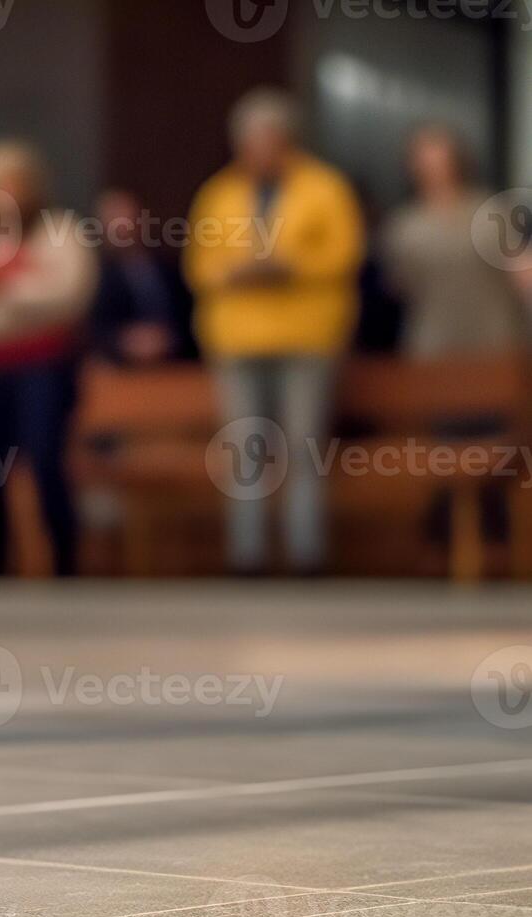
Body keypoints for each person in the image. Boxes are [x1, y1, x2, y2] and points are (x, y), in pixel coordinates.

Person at [185, 88, 364, 575]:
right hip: (239, 340)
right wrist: (236, 272)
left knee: (304, 446)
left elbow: (345, 252)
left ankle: (307, 554)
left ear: (287, 139)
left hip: (305, 337)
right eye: (251, 140)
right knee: (245, 449)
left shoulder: (325, 188)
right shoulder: (219, 194)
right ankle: (248, 556)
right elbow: (200, 264)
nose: (260, 149)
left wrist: (288, 267)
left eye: (269, 138)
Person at [0, 140, 96, 577]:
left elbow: (67, 297)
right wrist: (15, 291)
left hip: (45, 367)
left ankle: (65, 563)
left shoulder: (62, 232)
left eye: (15, 182)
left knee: (45, 460)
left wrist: (5, 288)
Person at [382, 124, 532, 359]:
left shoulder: (491, 212)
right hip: (433, 345)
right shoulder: (403, 226)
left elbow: (524, 274)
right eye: (424, 159)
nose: (433, 167)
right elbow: (399, 288)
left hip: (495, 341)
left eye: (440, 157)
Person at [88, 188, 195, 365]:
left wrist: (168, 338)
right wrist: (124, 341)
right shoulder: (95, 275)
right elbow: (93, 328)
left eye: (128, 217)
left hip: (177, 364)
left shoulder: (170, 268)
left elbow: (189, 314)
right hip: (120, 370)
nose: (123, 227)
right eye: (115, 220)